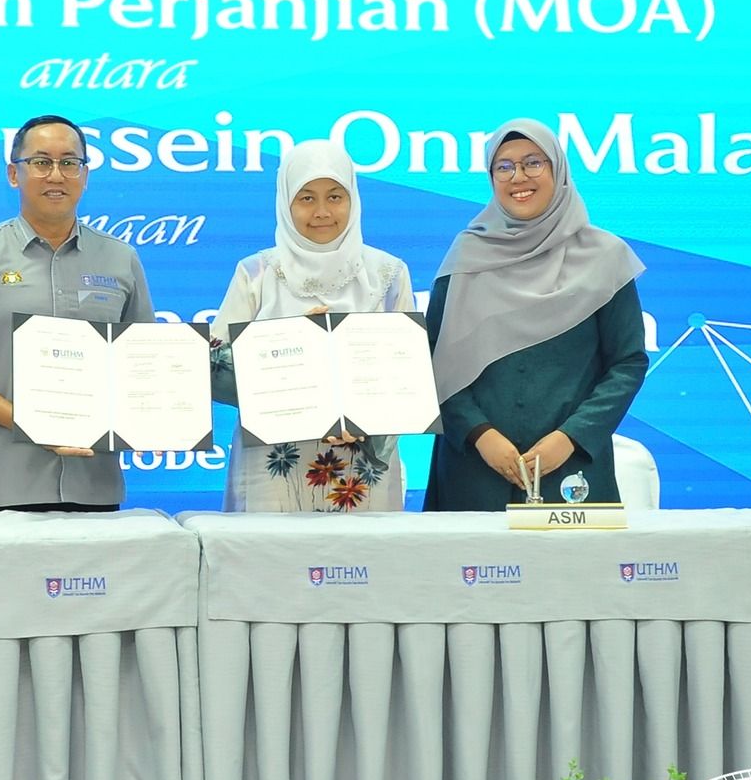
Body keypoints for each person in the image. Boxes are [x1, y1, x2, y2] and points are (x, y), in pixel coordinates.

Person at [0, 114, 156, 512]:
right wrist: (29, 420)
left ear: (85, 175)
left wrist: (160, 412)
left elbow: (145, 363)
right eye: (40, 162)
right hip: (4, 486)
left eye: (69, 162)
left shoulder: (121, 259)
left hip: (95, 484)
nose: (56, 175)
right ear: (13, 174)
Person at [424, 118, 647, 510]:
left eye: (533, 162)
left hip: (571, 473)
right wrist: (480, 434)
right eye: (504, 166)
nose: (518, 177)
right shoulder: (466, 258)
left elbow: (627, 363)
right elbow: (432, 360)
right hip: (474, 472)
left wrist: (571, 437)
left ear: (557, 169)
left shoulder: (605, 258)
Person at [210, 140, 418, 512]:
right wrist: (288, 344)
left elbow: (407, 375)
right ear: (285, 201)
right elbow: (213, 371)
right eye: (306, 198)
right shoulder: (256, 273)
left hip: (360, 466)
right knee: (267, 549)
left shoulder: (388, 275)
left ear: (353, 198)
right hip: (273, 467)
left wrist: (367, 420)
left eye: (335, 196)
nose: (322, 211)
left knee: (366, 550)